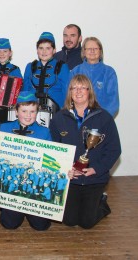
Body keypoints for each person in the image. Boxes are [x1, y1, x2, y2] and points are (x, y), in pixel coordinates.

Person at [49, 74, 121, 229]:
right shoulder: (59, 118)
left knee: (87, 223)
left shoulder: (104, 117)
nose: (78, 91)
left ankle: (101, 202)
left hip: (94, 178)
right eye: (74, 88)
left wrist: (96, 169)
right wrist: (65, 169)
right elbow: (53, 149)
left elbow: (114, 149)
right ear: (69, 92)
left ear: (90, 91)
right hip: (71, 178)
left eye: (83, 88)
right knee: (69, 220)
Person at [0, 91, 52, 231]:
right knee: (9, 224)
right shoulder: (5, 128)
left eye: (32, 111)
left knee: (40, 226)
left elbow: (51, 158)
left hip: (34, 184)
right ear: (16, 111)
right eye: (24, 111)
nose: (28, 115)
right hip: (13, 184)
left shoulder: (44, 132)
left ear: (37, 112)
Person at [70, 37, 119, 117]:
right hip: (78, 119)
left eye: (95, 48)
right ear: (84, 51)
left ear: (100, 51)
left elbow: (113, 102)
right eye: (89, 48)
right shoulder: (76, 71)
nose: (92, 51)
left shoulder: (109, 72)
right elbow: (69, 96)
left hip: (102, 120)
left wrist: (103, 119)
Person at [22, 32, 70, 113]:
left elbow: (67, 93)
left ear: (54, 50)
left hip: (56, 112)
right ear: (37, 50)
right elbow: (25, 92)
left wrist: (64, 112)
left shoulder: (62, 67)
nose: (44, 52)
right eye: (41, 48)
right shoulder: (30, 67)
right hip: (32, 113)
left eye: (48, 48)